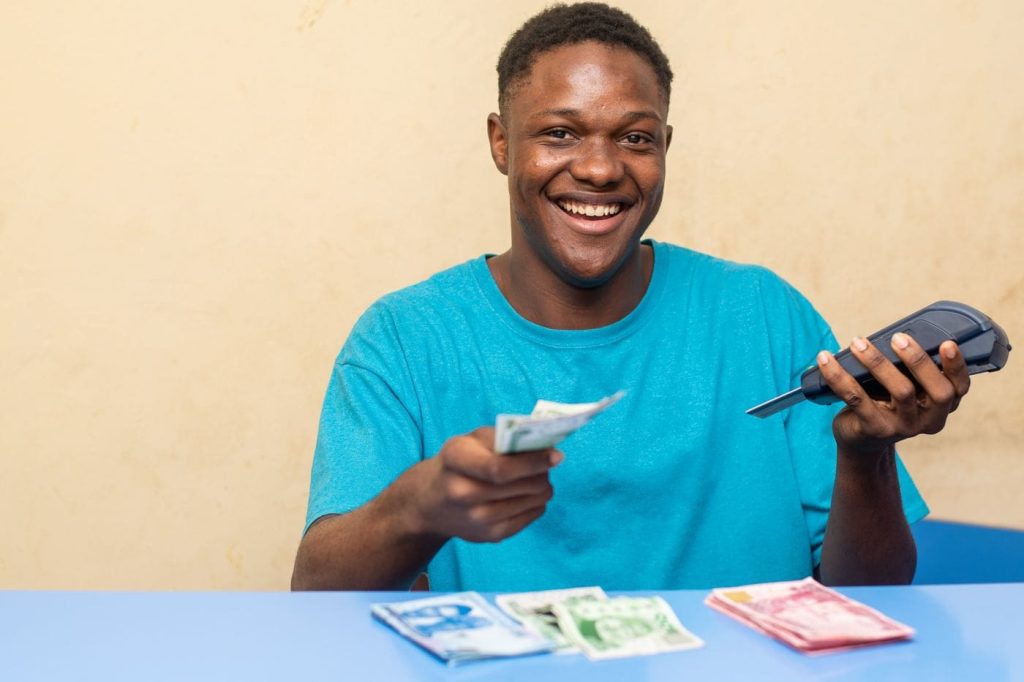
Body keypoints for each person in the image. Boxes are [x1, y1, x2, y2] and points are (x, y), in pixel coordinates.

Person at [291, 3, 970, 592]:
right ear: (501, 143)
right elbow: (318, 593)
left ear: (665, 147)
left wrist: (865, 455)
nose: (599, 168)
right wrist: (417, 507)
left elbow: (873, 595)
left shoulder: (761, 312)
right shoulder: (405, 338)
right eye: (559, 133)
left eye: (635, 138)